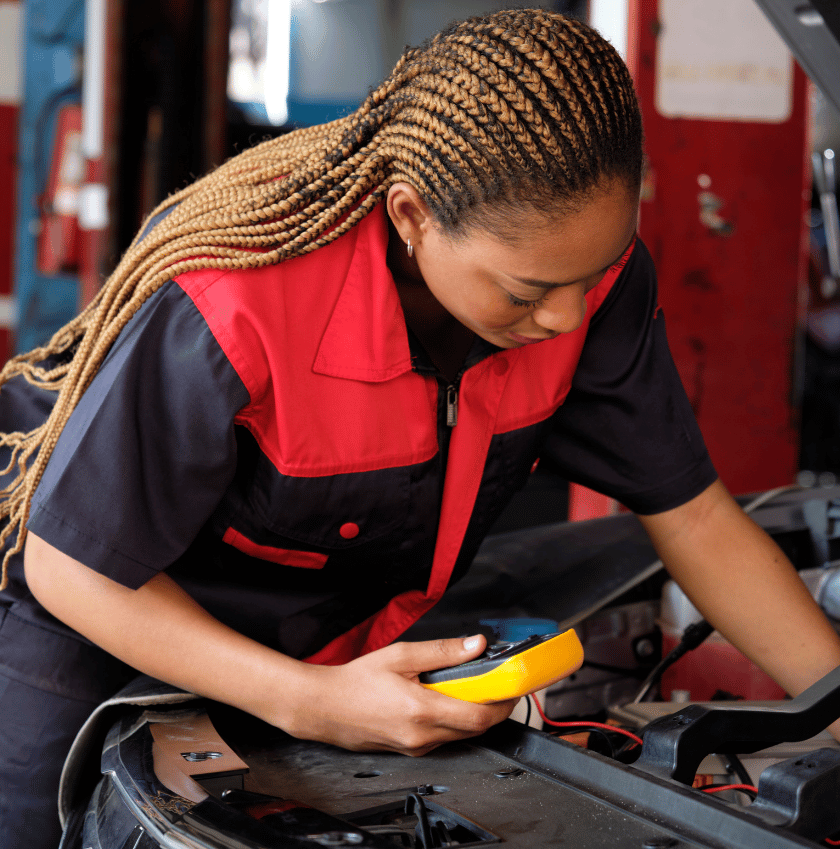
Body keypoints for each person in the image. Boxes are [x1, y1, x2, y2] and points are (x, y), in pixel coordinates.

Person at [1, 8, 839, 847]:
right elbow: (73, 564)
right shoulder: (239, 296)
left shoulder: (582, 278)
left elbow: (693, 515)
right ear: (410, 216)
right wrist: (311, 701)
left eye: (594, 274)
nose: (567, 316)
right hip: (90, 601)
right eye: (525, 290)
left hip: (327, 629)